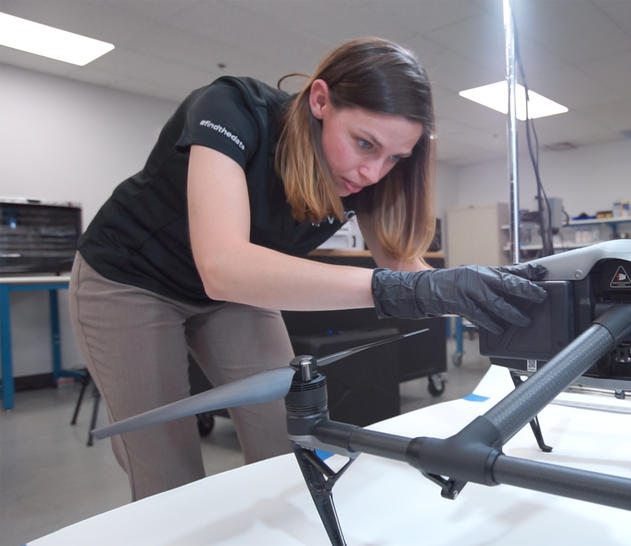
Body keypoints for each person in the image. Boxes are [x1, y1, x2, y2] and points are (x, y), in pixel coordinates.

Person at [68, 37, 548, 500]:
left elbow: (405, 266)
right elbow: (223, 266)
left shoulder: (371, 174)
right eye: (364, 144)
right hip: (130, 279)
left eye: (395, 158)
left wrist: (490, 303)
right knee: (168, 473)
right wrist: (402, 291)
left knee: (291, 439)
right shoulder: (231, 109)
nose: (373, 173)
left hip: (232, 297)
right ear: (320, 99)